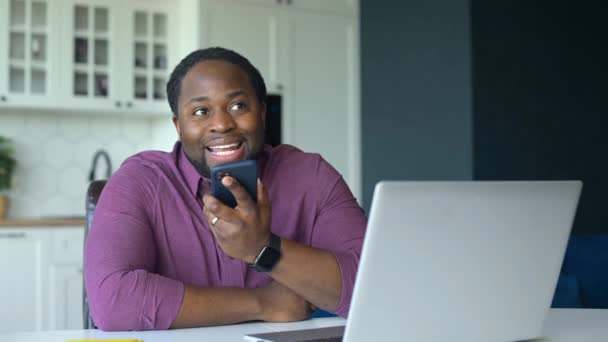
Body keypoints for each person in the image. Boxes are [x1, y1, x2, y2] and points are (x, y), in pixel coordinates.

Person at [84, 47, 366, 331]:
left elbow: (373, 288)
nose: (221, 124)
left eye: (238, 106)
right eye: (200, 111)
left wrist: (262, 248)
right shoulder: (141, 181)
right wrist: (262, 303)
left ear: (263, 113)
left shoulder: (311, 176)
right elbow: (112, 301)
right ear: (178, 126)